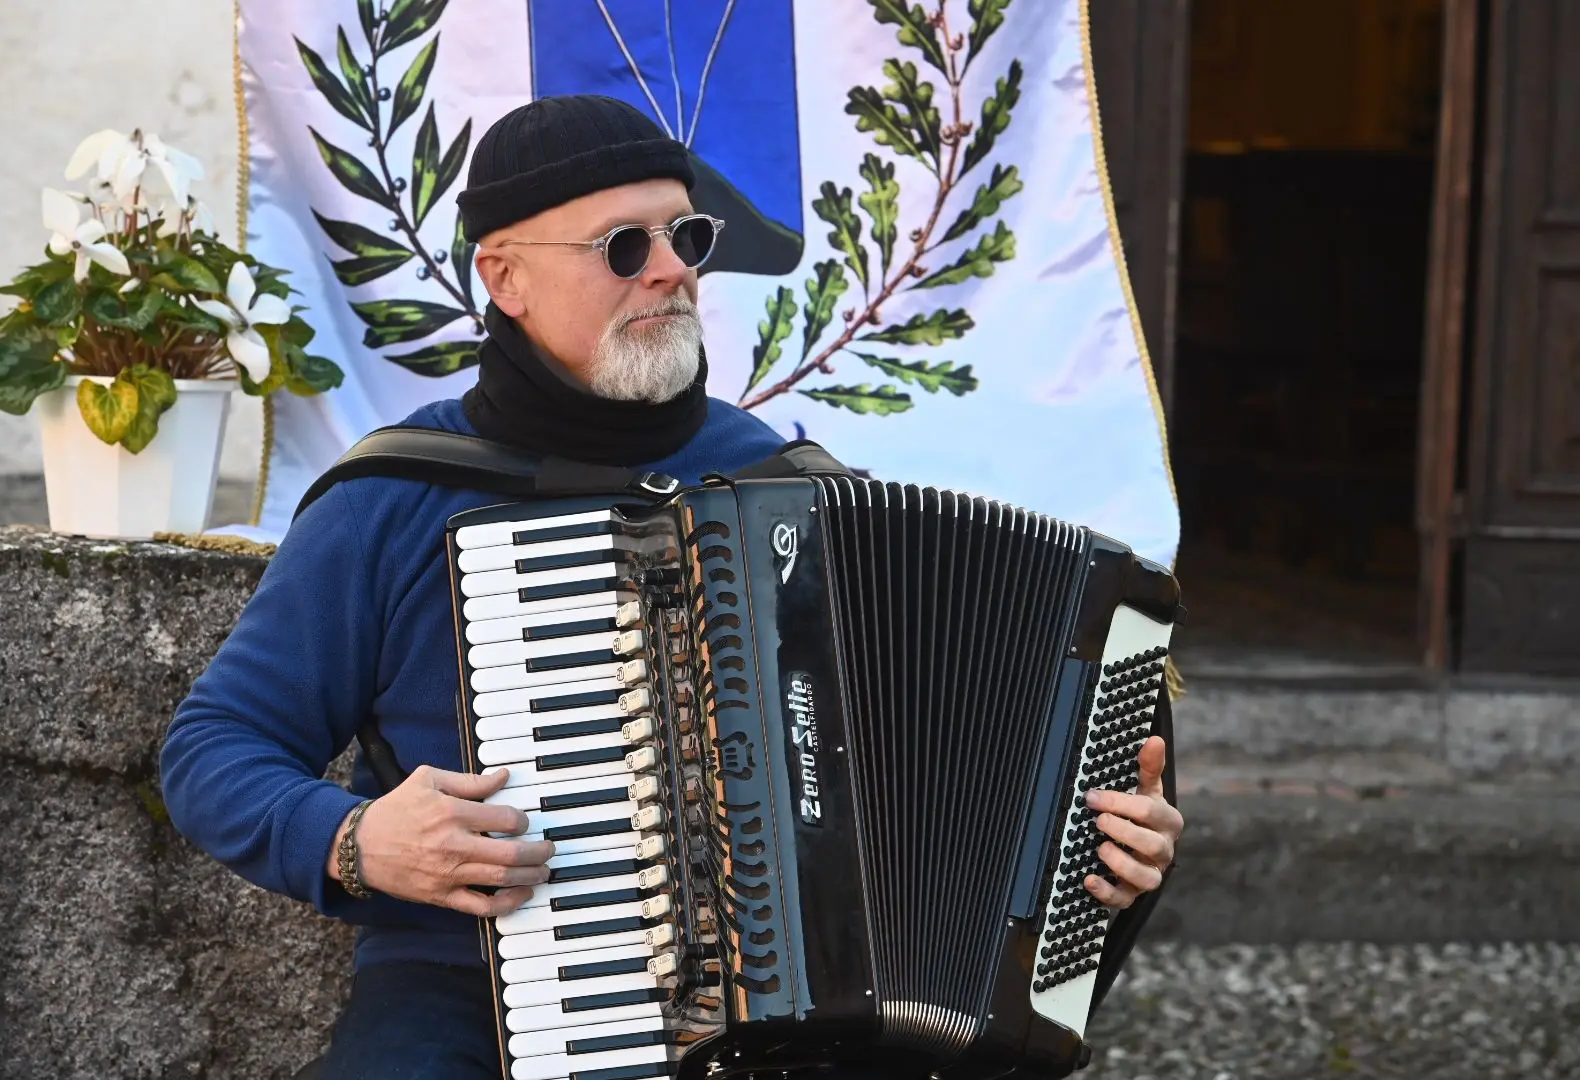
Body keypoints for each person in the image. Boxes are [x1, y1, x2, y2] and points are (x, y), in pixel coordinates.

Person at [159, 94, 1184, 1079]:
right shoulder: (395, 497)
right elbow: (214, 746)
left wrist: (1103, 856)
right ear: (505, 276)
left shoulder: (798, 497)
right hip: (468, 987)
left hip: (804, 1014)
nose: (669, 271)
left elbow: (976, 800)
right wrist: (354, 840)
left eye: (685, 238)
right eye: (622, 247)